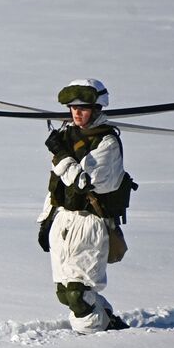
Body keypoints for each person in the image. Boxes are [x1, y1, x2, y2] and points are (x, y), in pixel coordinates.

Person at [37, 79, 133, 334]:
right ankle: (108, 321)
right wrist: (45, 219)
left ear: (98, 108)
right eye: (73, 108)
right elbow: (57, 185)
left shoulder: (107, 144)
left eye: (84, 108)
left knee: (77, 295)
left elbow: (83, 182)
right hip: (64, 222)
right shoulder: (67, 136)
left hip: (90, 224)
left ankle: (98, 339)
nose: (77, 113)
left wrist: (60, 154)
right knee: (63, 293)